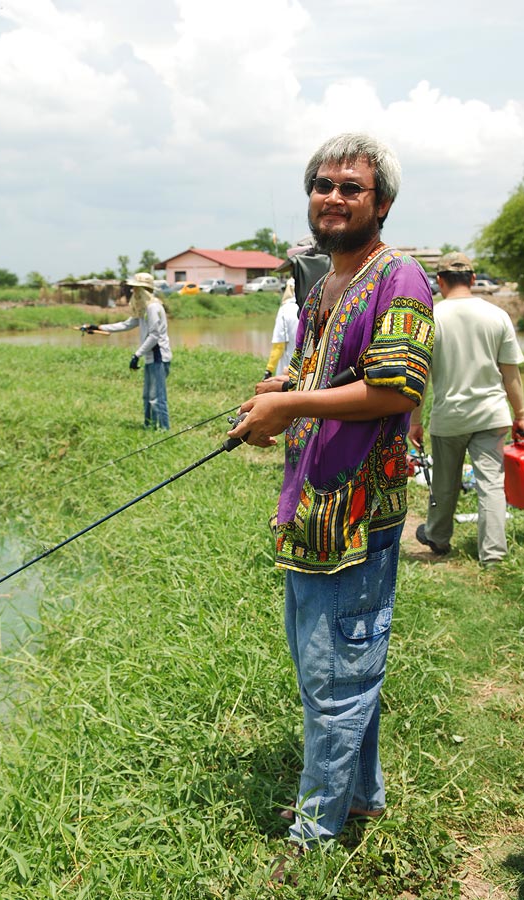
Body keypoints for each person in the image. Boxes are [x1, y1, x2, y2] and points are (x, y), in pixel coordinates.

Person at [227, 133, 434, 868]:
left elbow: (394, 387)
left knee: (334, 679)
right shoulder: (322, 284)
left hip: (357, 517)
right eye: (322, 184)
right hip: (312, 511)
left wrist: (290, 409)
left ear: (380, 202)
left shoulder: (398, 276)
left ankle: (313, 838)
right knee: (342, 671)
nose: (333, 197)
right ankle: (361, 795)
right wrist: (279, 393)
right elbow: (320, 371)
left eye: (351, 186)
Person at [409, 251, 524, 565]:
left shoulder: (431, 317)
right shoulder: (497, 315)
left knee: (445, 485)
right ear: (473, 280)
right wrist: (521, 415)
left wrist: (414, 421)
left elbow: (421, 378)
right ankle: (494, 555)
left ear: (440, 281)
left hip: (450, 418)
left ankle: (438, 537)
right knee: (491, 485)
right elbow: (510, 373)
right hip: (492, 415)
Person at [84, 272, 172, 430]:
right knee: (147, 396)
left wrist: (137, 355)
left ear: (143, 290)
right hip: (151, 358)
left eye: (135, 289)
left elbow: (154, 336)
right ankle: (149, 427)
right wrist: (97, 327)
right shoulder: (144, 309)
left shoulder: (153, 308)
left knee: (157, 398)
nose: (133, 292)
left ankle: (164, 430)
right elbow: (126, 324)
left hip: (159, 357)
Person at [262, 277, 299, 381]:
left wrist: (269, 370)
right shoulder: (310, 307)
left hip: (287, 369)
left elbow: (279, 345)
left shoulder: (285, 310)